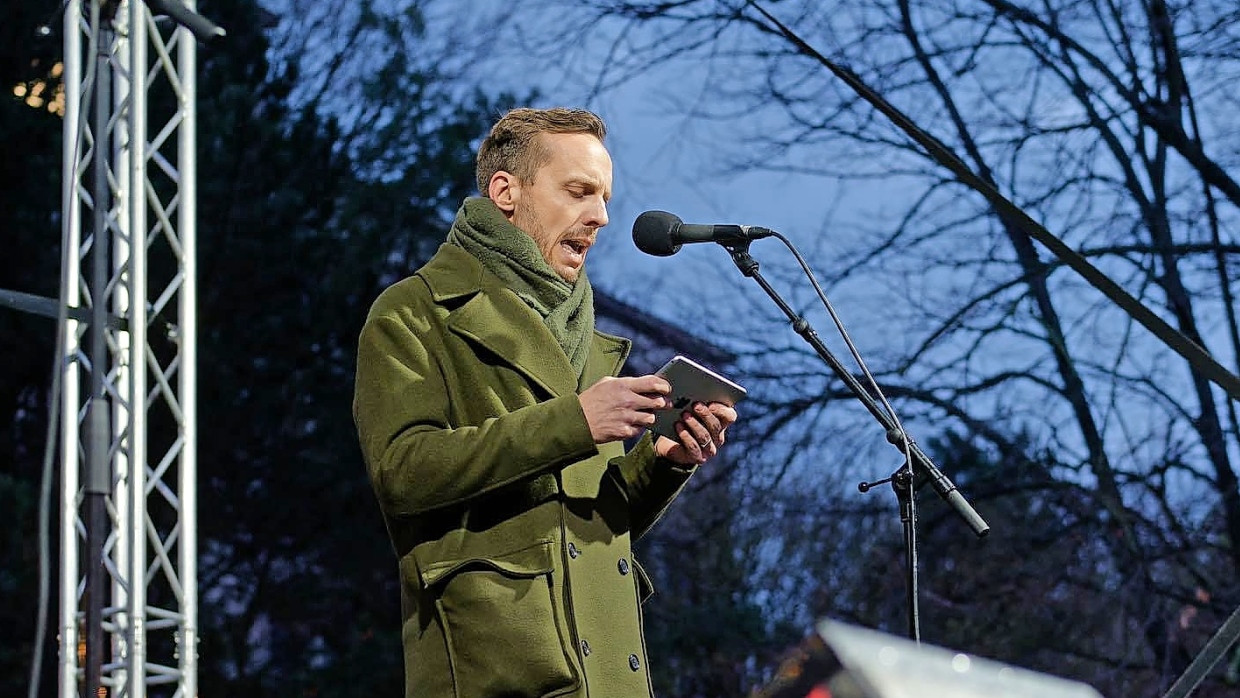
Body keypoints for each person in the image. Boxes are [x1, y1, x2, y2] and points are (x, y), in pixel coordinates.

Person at [353, 106, 738, 698]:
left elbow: (589, 519)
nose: (602, 217)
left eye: (605, 197)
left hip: (609, 671)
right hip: (497, 669)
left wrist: (663, 462)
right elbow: (403, 471)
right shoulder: (414, 312)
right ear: (507, 192)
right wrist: (575, 420)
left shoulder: (582, 334)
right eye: (580, 191)